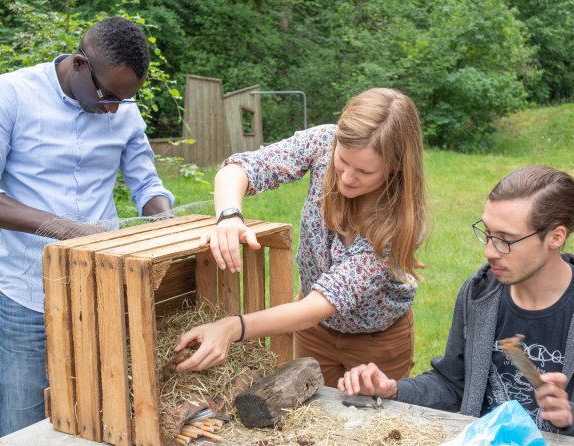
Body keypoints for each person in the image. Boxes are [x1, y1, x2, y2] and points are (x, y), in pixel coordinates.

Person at [0, 17, 174, 439]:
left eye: (124, 100)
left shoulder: (122, 108)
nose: (113, 108)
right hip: (30, 294)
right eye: (107, 95)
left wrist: (162, 222)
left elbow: (147, 185)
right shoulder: (11, 94)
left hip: (105, 291)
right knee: (21, 428)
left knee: (99, 414)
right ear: (78, 64)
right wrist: (67, 230)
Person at [338, 165, 574, 444]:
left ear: (555, 237)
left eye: (505, 240)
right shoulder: (480, 294)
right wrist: (393, 389)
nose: (489, 251)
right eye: (487, 233)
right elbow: (452, 383)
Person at [174, 87, 428, 387]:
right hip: (314, 331)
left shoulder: (397, 224)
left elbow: (322, 302)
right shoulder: (323, 142)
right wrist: (229, 217)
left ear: (396, 166)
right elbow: (241, 169)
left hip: (376, 342)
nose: (347, 177)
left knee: (371, 424)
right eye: (343, 161)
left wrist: (232, 328)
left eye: (364, 171)